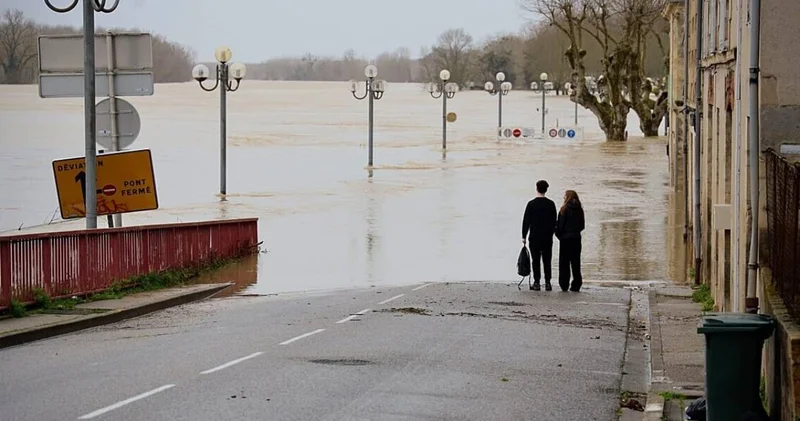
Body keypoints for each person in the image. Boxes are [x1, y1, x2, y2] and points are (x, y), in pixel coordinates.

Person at [521, 180, 557, 291]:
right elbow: (554, 221)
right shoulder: (551, 204)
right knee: (547, 260)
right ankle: (548, 283)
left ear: (537, 188)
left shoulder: (531, 204)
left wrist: (524, 236)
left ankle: (536, 282)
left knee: (535, 260)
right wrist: (552, 233)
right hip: (547, 237)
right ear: (546, 189)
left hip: (535, 236)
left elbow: (526, 221)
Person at [556, 190, 585, 292]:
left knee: (564, 263)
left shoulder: (564, 209)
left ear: (567, 197)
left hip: (565, 239)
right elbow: (582, 226)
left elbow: (560, 226)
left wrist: (559, 235)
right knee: (576, 262)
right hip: (576, 238)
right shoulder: (580, 210)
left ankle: (564, 284)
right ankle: (576, 284)